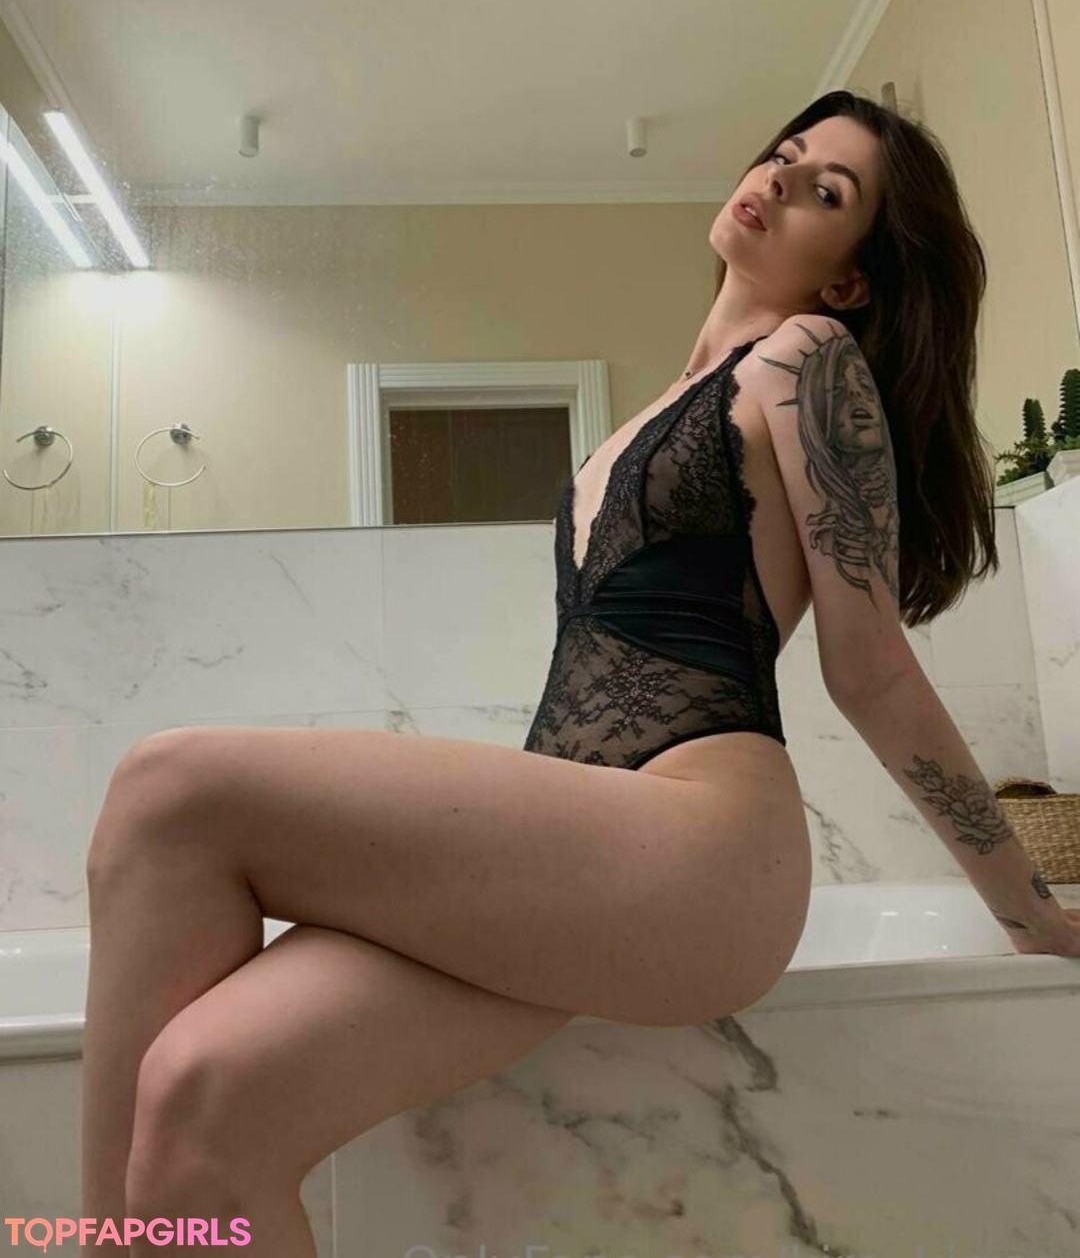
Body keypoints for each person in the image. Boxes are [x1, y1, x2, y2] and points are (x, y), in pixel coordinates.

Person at [80, 89, 1080, 1257]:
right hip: (589, 858)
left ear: (851, 277)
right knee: (202, 1090)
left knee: (168, 788)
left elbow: (873, 673)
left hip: (700, 852)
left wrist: (1029, 910)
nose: (776, 177)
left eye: (825, 191)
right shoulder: (656, 408)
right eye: (785, 152)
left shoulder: (808, 358)